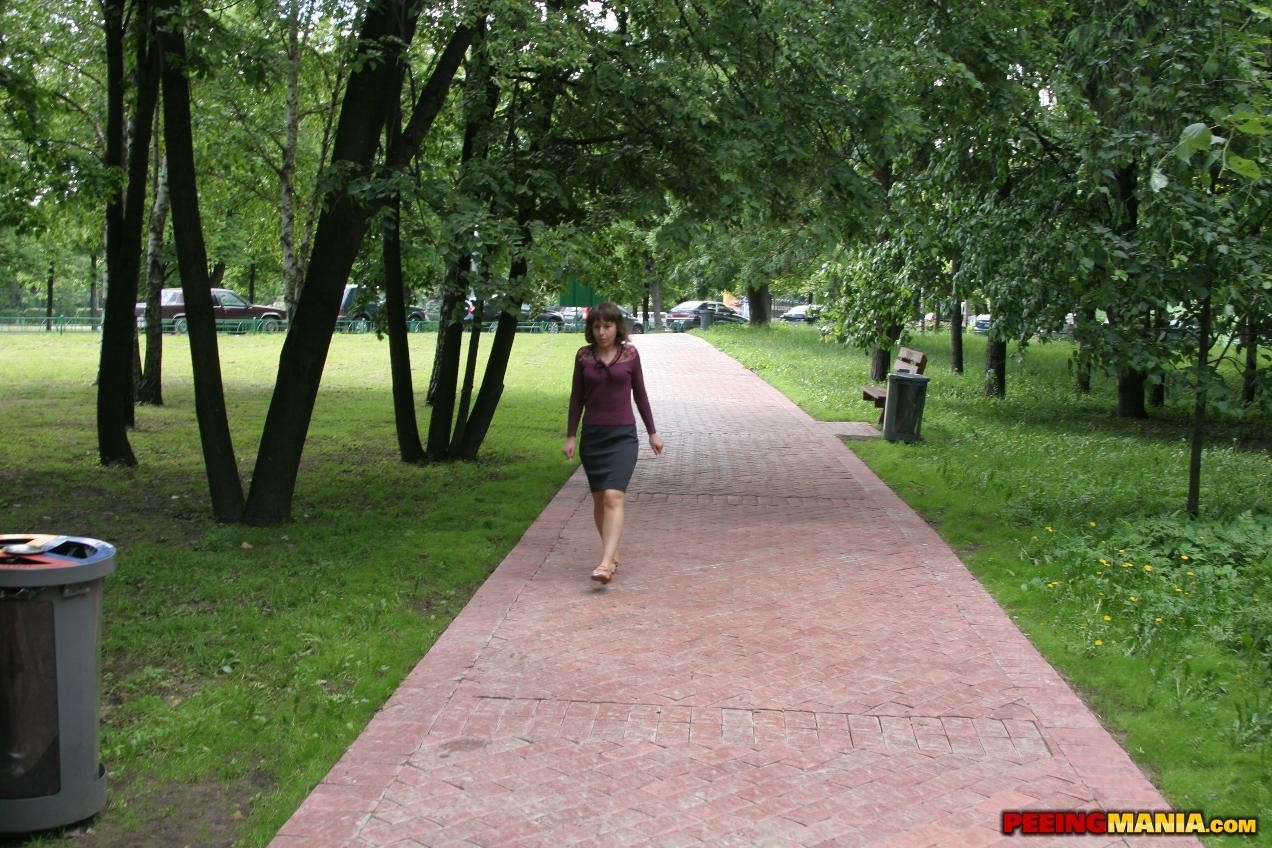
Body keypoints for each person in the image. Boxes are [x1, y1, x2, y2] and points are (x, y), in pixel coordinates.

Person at [563, 302, 664, 584]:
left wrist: (652, 432)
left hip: (623, 436)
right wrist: (571, 435)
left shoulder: (630, 354)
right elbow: (576, 398)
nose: (601, 331)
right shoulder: (583, 356)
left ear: (616, 327)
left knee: (613, 496)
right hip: (593, 436)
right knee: (598, 499)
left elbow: (640, 395)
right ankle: (612, 551)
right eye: (596, 326)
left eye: (606, 326)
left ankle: (606, 563)